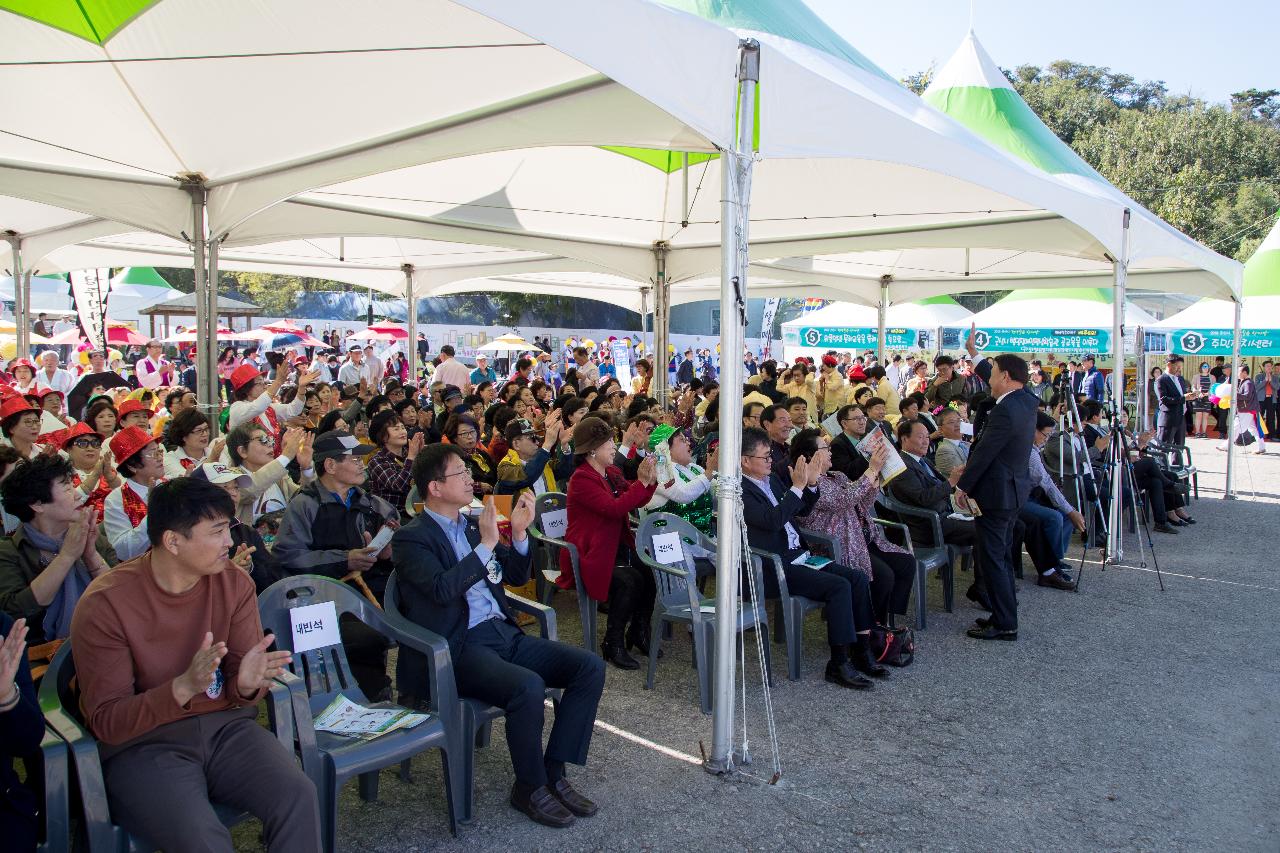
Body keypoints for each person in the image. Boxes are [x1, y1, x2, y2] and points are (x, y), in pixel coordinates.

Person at [69, 477, 321, 850]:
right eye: (217, 531)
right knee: (203, 840)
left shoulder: (233, 583)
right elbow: (107, 721)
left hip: (226, 731)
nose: (230, 543)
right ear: (173, 541)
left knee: (298, 795)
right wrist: (181, 687)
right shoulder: (106, 604)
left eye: (228, 528)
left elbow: (239, 683)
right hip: (144, 746)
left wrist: (249, 684)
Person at [393, 446, 605, 828]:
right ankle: (530, 786)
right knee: (528, 686)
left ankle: (553, 772)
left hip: (502, 633)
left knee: (588, 667)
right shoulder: (412, 538)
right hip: (458, 645)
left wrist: (520, 534)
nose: (470, 477)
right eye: (460, 473)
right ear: (435, 487)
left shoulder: (472, 524)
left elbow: (517, 575)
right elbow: (442, 590)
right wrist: (488, 544)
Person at [739, 427, 884, 689]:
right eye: (764, 458)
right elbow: (772, 521)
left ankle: (862, 650)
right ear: (745, 461)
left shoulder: (770, 480)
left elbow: (800, 509)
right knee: (839, 587)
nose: (771, 462)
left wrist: (812, 484)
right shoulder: (740, 491)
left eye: (771, 456)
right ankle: (838, 663)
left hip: (798, 555)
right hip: (775, 564)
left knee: (858, 578)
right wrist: (797, 487)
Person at [272, 430, 397, 699]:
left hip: (366, 592)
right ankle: (341, 701)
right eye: (353, 459)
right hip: (318, 600)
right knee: (369, 637)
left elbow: (394, 534)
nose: (361, 464)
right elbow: (288, 556)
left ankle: (386, 694)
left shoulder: (370, 503)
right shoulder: (305, 504)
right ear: (330, 465)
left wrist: (388, 551)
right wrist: (344, 559)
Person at [958, 332, 1038, 641]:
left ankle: (1005, 622)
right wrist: (974, 354)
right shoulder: (1026, 401)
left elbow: (985, 451)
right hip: (1013, 490)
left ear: (1005, 376)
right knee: (1000, 556)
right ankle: (1003, 615)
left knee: (994, 559)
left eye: (992, 373)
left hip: (996, 493)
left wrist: (962, 486)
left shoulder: (1004, 409)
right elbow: (995, 383)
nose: (988, 378)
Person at [560, 416, 658, 670]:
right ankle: (612, 642)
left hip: (614, 546)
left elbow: (635, 499)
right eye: (608, 443)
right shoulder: (582, 479)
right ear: (592, 450)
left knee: (650, 569)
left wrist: (647, 481)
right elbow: (614, 509)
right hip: (590, 552)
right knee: (630, 581)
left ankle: (639, 629)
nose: (614, 447)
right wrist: (643, 483)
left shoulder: (610, 472)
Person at [790, 429, 915, 626]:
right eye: (825, 448)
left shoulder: (837, 476)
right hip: (841, 545)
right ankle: (872, 627)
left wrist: (875, 481)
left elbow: (860, 504)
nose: (830, 452)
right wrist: (870, 470)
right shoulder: (809, 483)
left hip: (861, 537)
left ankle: (886, 618)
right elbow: (842, 500)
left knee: (905, 562)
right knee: (884, 576)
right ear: (810, 456)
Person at [0, 455, 111, 644]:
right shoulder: (9, 551)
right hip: (45, 657)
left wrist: (91, 556)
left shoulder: (88, 534)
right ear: (37, 504)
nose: (77, 494)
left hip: (106, 637)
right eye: (67, 488)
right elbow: (15, 612)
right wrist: (66, 557)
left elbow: (121, 593)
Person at [1024, 412, 1087, 589]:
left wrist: (1069, 510)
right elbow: (1047, 484)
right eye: (1046, 434)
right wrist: (1069, 509)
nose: (1047, 438)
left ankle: (1056, 559)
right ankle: (1049, 568)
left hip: (1033, 494)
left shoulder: (1035, 449)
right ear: (1033, 431)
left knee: (1065, 514)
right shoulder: (1029, 453)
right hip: (1021, 499)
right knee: (1055, 516)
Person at [102, 426, 166, 563]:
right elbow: (122, 552)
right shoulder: (116, 500)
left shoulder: (171, 485)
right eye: (153, 453)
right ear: (132, 465)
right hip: (141, 573)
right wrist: (153, 513)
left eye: (160, 451)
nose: (160, 458)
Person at [227, 361, 316, 457]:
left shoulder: (269, 409)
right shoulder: (237, 408)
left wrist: (302, 388)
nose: (265, 386)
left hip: (273, 463)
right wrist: (278, 382)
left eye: (264, 382)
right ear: (246, 389)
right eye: (260, 383)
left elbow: (294, 410)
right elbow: (257, 407)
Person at [642, 425, 717, 535]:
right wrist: (709, 473)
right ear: (665, 448)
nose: (688, 443)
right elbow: (682, 494)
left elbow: (716, 492)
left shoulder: (694, 468)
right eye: (682, 440)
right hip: (672, 544)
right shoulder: (660, 470)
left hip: (703, 542)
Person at [366, 409, 425, 514]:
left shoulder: (408, 452)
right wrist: (412, 457)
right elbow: (398, 485)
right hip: (394, 516)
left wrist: (420, 456)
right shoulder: (376, 461)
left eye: (403, 427)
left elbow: (426, 480)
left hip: (416, 507)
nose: (402, 432)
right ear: (383, 436)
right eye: (396, 429)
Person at [497, 415, 563, 499]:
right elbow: (526, 476)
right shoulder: (505, 467)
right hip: (525, 511)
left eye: (537, 436)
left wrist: (565, 445)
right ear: (516, 444)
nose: (537, 442)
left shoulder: (540, 459)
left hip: (549, 509)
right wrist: (547, 445)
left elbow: (564, 470)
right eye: (532, 437)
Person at [445, 414, 497, 497]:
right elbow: (452, 485)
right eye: (464, 433)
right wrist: (477, 486)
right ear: (454, 437)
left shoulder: (482, 454)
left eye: (472, 431)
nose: (470, 437)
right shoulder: (453, 459)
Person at [1219, 364, 1266, 454]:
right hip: (1249, 409)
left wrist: (1233, 394)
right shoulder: (1245, 382)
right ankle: (1261, 447)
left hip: (1246, 409)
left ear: (1244, 373)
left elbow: (1247, 396)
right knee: (1254, 429)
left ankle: (1226, 446)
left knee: (1235, 428)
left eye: (1239, 371)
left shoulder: (1247, 383)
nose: (1237, 374)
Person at [163, 408, 220, 477]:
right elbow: (187, 480)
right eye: (199, 431)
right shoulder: (170, 459)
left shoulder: (214, 453)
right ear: (183, 435)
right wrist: (211, 459)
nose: (205, 434)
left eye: (206, 429)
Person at [1156, 354, 1192, 447]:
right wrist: (1184, 398)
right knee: (1164, 447)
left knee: (1179, 448)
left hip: (1180, 417)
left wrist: (1191, 396)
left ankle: (1177, 462)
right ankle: (1161, 462)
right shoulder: (1162, 379)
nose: (1179, 369)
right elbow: (1164, 399)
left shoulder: (1180, 379)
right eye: (1177, 366)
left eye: (1180, 367)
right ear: (1169, 365)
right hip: (1168, 419)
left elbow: (1182, 395)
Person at [828, 404, 870, 481]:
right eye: (857, 419)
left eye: (863, 418)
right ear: (844, 424)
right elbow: (846, 474)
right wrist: (868, 453)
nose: (862, 422)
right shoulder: (837, 445)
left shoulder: (864, 438)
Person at [759, 404, 794, 482]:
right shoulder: (760, 450)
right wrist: (795, 452)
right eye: (783, 420)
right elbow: (772, 475)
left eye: (789, 420)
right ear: (767, 425)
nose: (789, 425)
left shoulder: (789, 448)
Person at [933, 408, 970, 479]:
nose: (957, 424)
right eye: (951, 422)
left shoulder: (965, 444)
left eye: (959, 420)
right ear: (941, 429)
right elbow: (966, 476)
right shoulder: (944, 450)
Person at [1257, 360, 1279, 438]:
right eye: (1267, 366)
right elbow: (1257, 387)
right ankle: (1259, 434)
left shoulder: (1275, 377)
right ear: (1264, 367)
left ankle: (1271, 435)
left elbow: (1277, 387)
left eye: (1270, 366)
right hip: (1261, 399)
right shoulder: (1259, 376)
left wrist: (1271, 381)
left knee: (1271, 417)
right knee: (1260, 417)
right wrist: (1265, 381)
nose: (1269, 367)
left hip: (1271, 399)